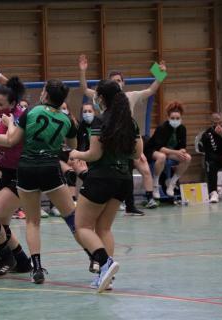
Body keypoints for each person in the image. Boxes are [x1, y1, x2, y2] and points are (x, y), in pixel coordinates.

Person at [0, 79, 78, 284]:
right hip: (8, 173)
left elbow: (10, 140)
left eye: (0, 104)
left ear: (13, 103)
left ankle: (7, 257)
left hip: (23, 174)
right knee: (0, 225)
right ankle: (21, 260)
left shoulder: (20, 117)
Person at [69, 79, 143, 293]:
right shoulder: (131, 122)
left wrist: (76, 154)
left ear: (101, 98)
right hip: (123, 179)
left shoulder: (100, 121)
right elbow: (137, 153)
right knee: (104, 228)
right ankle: (106, 278)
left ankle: (105, 264)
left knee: (82, 226)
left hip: (101, 178)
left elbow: (94, 154)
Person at [79, 54, 163, 213]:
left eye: (119, 80)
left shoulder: (131, 96)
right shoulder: (101, 98)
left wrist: (161, 74)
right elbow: (84, 89)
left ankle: (137, 202)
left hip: (126, 140)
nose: (116, 83)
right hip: (107, 140)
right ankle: (111, 202)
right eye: (113, 81)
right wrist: (82, 71)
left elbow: (152, 89)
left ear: (123, 83)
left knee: (133, 170)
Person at [144, 101, 191, 198]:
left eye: (177, 118)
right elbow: (160, 148)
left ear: (181, 118)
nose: (175, 120)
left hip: (170, 152)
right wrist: (176, 152)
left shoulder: (182, 128)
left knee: (187, 158)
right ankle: (156, 185)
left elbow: (182, 145)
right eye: (172, 118)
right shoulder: (162, 128)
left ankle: (172, 184)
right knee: (162, 157)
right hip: (153, 150)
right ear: (168, 118)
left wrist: (182, 151)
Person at [200, 112, 222, 203]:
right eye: (215, 123)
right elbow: (209, 154)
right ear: (211, 123)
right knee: (210, 165)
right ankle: (213, 192)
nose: (218, 125)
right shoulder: (206, 135)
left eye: (221, 123)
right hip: (216, 159)